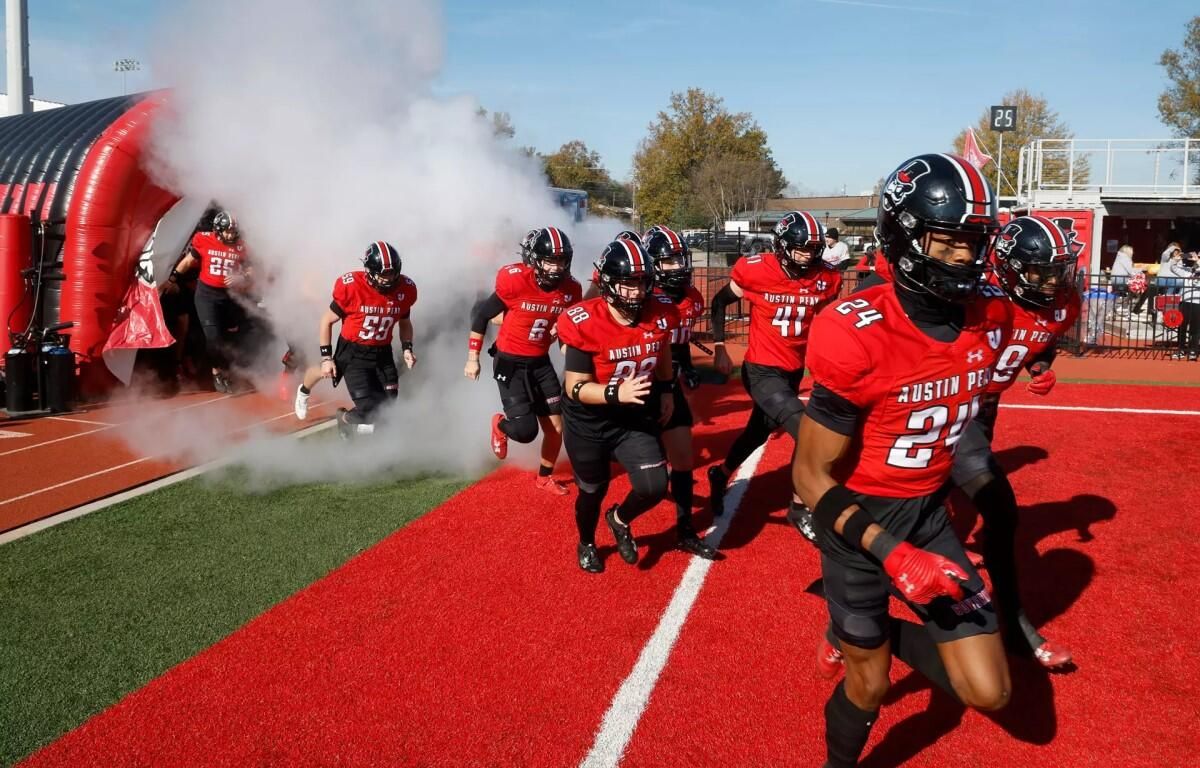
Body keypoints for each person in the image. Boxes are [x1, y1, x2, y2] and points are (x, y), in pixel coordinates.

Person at [793, 153, 1013, 767]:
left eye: (973, 243)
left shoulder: (991, 315)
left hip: (929, 514)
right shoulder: (856, 327)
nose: (966, 258)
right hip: (859, 519)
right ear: (903, 237)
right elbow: (809, 476)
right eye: (947, 243)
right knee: (872, 684)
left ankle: (864, 631)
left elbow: (972, 400)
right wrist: (892, 555)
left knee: (989, 691)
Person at [950, 215, 1082, 669]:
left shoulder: (1063, 304)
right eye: (1040, 271)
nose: (1052, 281)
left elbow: (1038, 341)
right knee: (998, 509)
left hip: (984, 409)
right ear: (1007, 268)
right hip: (946, 405)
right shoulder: (973, 297)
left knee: (933, 505)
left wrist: (1039, 367)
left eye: (1058, 270)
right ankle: (1016, 626)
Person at [708, 211, 843, 534]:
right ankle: (799, 505)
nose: (807, 256)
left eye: (813, 249)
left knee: (757, 432)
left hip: (793, 370)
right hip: (761, 369)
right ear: (782, 246)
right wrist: (720, 346)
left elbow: (825, 322)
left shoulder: (826, 278)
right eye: (800, 249)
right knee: (809, 431)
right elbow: (718, 302)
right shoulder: (756, 270)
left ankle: (721, 473)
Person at [557, 238, 678, 574]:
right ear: (608, 284)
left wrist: (666, 389)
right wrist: (615, 393)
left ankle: (620, 518)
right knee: (592, 491)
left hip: (632, 416)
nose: (637, 292)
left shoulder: (662, 312)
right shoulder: (583, 320)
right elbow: (575, 386)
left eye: (642, 282)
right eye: (628, 283)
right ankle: (587, 542)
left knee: (654, 486)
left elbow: (662, 349)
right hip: (589, 419)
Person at [464, 226, 582, 495]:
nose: (556, 267)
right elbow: (482, 316)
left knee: (555, 427)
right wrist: (473, 358)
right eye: (550, 260)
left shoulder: (570, 289)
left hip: (540, 363)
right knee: (525, 431)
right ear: (535, 259)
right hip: (510, 362)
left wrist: (570, 351)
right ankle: (499, 424)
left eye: (561, 260)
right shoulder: (515, 280)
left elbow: (567, 329)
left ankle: (544, 477)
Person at [643, 224, 719, 560]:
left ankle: (685, 530)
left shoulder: (691, 299)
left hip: (667, 384)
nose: (679, 267)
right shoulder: (641, 294)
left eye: (681, 260)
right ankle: (614, 519)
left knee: (684, 459)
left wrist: (686, 367)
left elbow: (679, 343)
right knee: (643, 474)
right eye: (669, 261)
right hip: (637, 384)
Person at [317, 241, 417, 439]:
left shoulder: (405, 289)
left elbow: (405, 322)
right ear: (369, 271)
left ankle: (371, 435)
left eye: (392, 273)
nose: (388, 279)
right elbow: (326, 321)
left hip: (383, 352)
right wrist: (326, 358)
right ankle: (344, 418)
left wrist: (407, 348)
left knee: (388, 407)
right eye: (383, 274)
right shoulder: (352, 287)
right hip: (354, 354)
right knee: (370, 410)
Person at [176, 210, 252, 392]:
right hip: (207, 296)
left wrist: (242, 277)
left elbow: (251, 270)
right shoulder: (204, 240)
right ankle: (217, 372)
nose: (231, 235)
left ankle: (230, 368)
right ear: (218, 230)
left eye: (233, 231)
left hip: (230, 297)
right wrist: (172, 279)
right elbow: (187, 262)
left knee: (239, 334)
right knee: (213, 338)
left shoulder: (241, 246)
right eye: (227, 231)